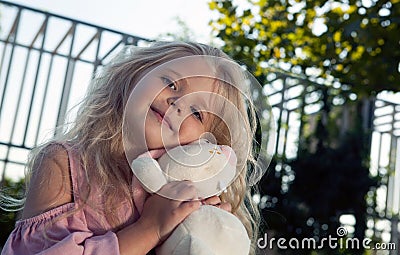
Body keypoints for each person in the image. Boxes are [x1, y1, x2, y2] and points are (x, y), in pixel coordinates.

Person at [1, 41, 261, 255]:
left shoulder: (187, 200)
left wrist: (201, 232)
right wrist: (150, 230)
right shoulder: (64, 163)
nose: (178, 103)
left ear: (207, 143)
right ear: (135, 74)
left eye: (197, 112)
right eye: (171, 83)